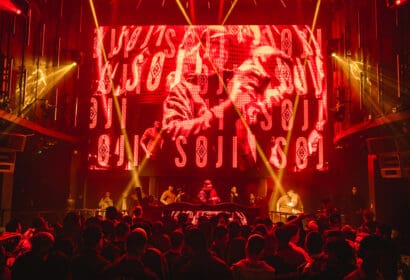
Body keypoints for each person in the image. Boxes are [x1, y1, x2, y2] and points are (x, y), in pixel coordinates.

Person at [162, 26, 292, 171]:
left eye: (226, 46)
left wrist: (265, 98)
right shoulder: (184, 89)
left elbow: (248, 106)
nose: (222, 52)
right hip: (193, 174)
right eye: (217, 45)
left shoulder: (234, 81)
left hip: (235, 174)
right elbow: (173, 130)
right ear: (202, 49)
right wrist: (228, 105)